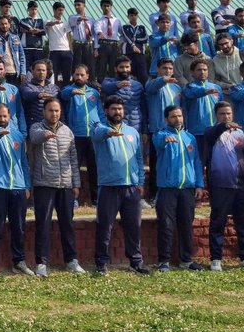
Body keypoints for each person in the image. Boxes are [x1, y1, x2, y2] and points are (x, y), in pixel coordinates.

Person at [91, 96, 150, 276]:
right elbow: (97, 133)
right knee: (105, 227)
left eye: (120, 109)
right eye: (114, 109)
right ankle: (101, 263)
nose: (117, 112)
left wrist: (140, 181)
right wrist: (109, 132)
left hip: (131, 187)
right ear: (106, 111)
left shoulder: (132, 132)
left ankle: (136, 262)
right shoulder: (99, 129)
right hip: (109, 187)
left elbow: (139, 158)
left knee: (133, 227)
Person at [28, 97, 84, 275]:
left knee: (67, 224)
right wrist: (45, 135)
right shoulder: (36, 128)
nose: (54, 114)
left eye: (57, 110)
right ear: (44, 112)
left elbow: (73, 160)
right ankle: (41, 263)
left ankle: (71, 260)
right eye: (51, 110)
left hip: (66, 184)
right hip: (44, 183)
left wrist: (76, 184)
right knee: (43, 224)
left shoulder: (67, 131)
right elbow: (35, 138)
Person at [203, 102, 244, 270]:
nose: (226, 117)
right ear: (216, 116)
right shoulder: (211, 132)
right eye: (222, 114)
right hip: (220, 184)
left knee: (243, 223)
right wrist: (224, 126)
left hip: (241, 185)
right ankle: (216, 259)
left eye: (228, 114)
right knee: (218, 222)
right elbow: (212, 134)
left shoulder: (240, 133)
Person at [0, 102, 33, 277]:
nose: (2, 119)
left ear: (10, 116)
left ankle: (19, 261)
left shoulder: (17, 135)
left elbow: (24, 163)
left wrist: (26, 185)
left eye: (5, 116)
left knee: (19, 227)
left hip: (18, 187)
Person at [152, 105, 205, 272]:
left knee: (186, 225)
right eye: (173, 116)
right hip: (167, 188)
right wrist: (165, 140)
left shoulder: (190, 137)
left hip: (187, 188)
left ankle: (186, 260)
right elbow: (158, 142)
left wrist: (199, 184)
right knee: (166, 225)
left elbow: (196, 162)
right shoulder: (161, 135)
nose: (178, 119)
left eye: (180, 116)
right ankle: (164, 261)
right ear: (166, 119)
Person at [60, 64, 102, 205]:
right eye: (76, 74)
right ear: (73, 75)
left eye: (82, 75)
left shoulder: (94, 93)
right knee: (73, 169)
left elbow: (100, 112)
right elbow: (63, 95)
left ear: (87, 76)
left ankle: (96, 199)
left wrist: (101, 128)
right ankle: (73, 200)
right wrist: (73, 92)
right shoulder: (68, 90)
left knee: (94, 168)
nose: (79, 77)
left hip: (93, 136)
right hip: (75, 136)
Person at [143, 59, 183, 201]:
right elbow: (150, 87)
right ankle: (154, 195)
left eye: (170, 68)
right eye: (164, 68)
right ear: (158, 69)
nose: (168, 71)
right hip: (158, 131)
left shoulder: (176, 88)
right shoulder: (153, 84)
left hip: (175, 131)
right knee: (156, 165)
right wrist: (164, 80)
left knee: (173, 162)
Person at [17, 59, 58, 127]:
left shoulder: (54, 88)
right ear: (32, 71)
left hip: (54, 126)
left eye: (43, 70)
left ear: (47, 72)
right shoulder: (26, 86)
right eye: (38, 70)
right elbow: (27, 94)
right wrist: (39, 95)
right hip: (35, 126)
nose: (41, 72)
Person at [0, 16, 26, 85]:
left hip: (16, 74)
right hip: (2, 74)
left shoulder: (16, 38)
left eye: (6, 24)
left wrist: (23, 72)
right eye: (2, 24)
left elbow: (21, 56)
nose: (4, 26)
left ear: (9, 25)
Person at [92, 0, 123, 84]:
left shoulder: (117, 20)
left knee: (114, 66)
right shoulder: (98, 21)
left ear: (111, 7)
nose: (106, 8)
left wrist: (121, 44)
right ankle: (100, 85)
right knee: (102, 66)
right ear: (101, 7)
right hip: (103, 45)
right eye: (104, 6)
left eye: (108, 6)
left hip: (114, 45)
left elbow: (122, 33)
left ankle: (114, 84)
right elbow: (97, 33)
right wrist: (96, 48)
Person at [45, 2, 72, 85]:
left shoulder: (65, 23)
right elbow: (47, 24)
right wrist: (54, 23)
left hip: (66, 51)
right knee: (54, 73)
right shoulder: (48, 20)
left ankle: (66, 89)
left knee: (67, 73)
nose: (61, 12)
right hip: (54, 51)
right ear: (54, 10)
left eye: (62, 10)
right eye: (59, 10)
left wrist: (71, 50)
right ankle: (54, 90)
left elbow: (69, 36)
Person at [120, 7, 149, 83]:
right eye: (131, 15)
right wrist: (133, 45)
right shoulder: (125, 27)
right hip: (128, 53)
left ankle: (144, 88)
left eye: (135, 15)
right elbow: (127, 37)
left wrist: (136, 39)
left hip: (140, 53)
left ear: (137, 16)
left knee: (143, 74)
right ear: (128, 16)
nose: (133, 17)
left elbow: (146, 38)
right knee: (129, 73)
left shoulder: (141, 27)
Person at [69, 0, 95, 78]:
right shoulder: (72, 17)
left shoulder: (91, 19)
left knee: (90, 65)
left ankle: (91, 81)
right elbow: (74, 20)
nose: (76, 7)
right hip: (78, 45)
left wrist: (96, 47)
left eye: (79, 5)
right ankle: (76, 81)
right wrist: (80, 18)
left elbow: (94, 34)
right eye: (75, 5)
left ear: (84, 5)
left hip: (89, 45)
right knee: (77, 65)